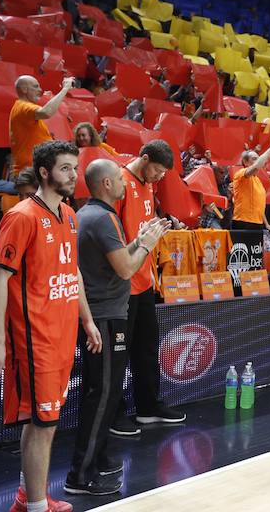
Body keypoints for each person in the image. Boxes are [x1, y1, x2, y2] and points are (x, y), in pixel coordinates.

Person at [0, 140, 102, 512]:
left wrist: (87, 318)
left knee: (43, 421)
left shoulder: (71, 215)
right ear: (45, 172)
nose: (74, 175)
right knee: (44, 423)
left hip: (63, 334)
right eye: (66, 168)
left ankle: (26, 495)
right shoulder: (21, 216)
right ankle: (35, 506)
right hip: (34, 339)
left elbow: (73, 272)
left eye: (76, 168)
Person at [66, 159, 170, 495]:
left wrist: (137, 240)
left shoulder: (87, 214)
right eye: (119, 180)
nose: (126, 185)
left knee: (100, 392)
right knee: (103, 394)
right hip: (106, 316)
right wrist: (145, 245)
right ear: (107, 184)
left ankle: (97, 458)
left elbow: (114, 261)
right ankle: (81, 475)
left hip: (101, 313)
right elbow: (126, 269)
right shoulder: (104, 217)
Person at [110, 139, 185, 436]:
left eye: (164, 173)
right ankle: (114, 415)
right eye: (156, 170)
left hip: (143, 281)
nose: (159, 177)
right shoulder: (119, 182)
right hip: (121, 283)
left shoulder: (148, 185)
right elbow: (113, 232)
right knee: (118, 354)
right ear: (143, 158)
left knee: (146, 348)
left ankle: (148, 407)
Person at [9, 75, 74, 176]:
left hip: (35, 169)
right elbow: (47, 112)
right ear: (24, 89)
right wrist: (65, 89)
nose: (40, 90)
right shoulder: (23, 106)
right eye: (36, 86)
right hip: (32, 172)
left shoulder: (23, 107)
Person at [231, 138, 270, 233]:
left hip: (258, 224)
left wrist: (266, 224)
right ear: (245, 162)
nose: (258, 161)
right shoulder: (240, 174)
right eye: (254, 159)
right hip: (243, 222)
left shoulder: (258, 180)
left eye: (258, 159)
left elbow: (259, 206)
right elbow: (256, 166)